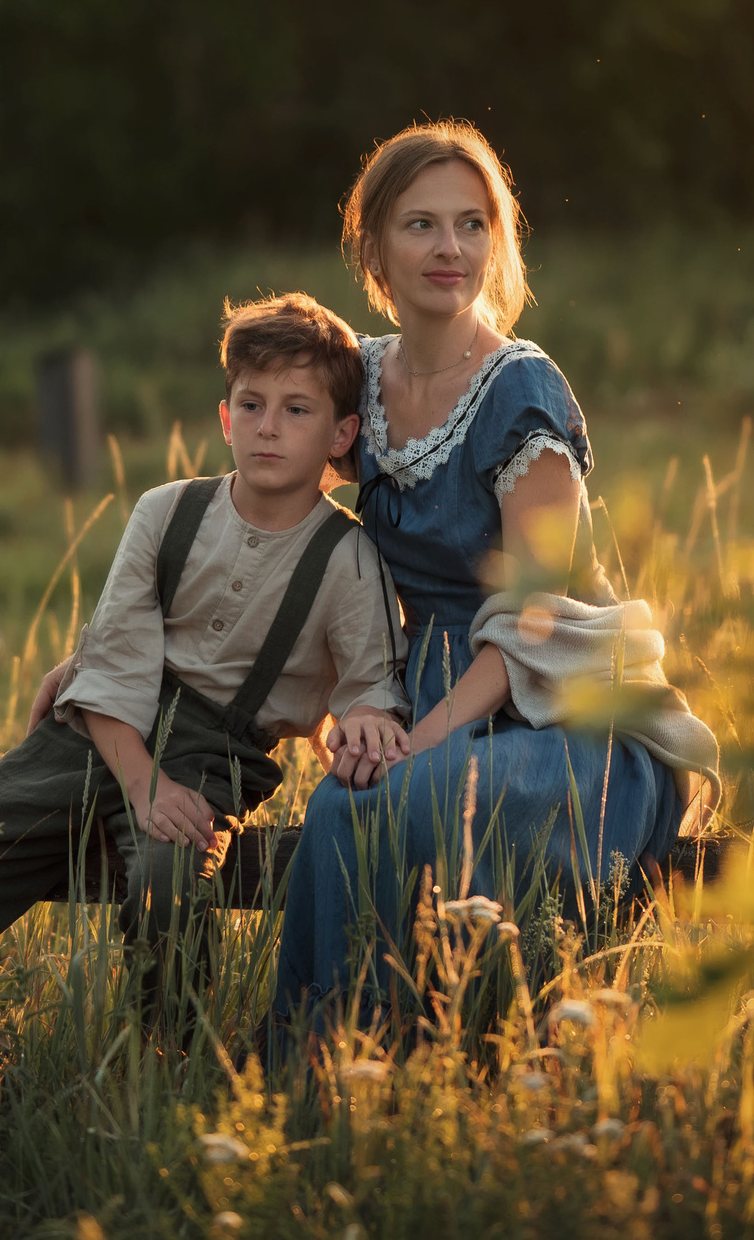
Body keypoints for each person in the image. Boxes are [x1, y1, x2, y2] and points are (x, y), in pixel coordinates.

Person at [270, 121, 704, 1044]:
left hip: (555, 706)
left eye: (473, 224)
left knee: (403, 802)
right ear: (374, 248)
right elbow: (259, 514)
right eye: (422, 225)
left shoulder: (520, 392)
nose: (451, 249)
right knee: (341, 805)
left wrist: (421, 740)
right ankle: (334, 1061)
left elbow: (535, 619)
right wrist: (129, 645)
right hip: (419, 684)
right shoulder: (360, 379)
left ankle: (434, 1046)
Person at [0, 293, 409, 1026]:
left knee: (165, 887)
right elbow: (115, 661)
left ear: (342, 433)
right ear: (226, 418)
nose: (268, 427)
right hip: (95, 734)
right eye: (251, 405)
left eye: (297, 410)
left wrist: (369, 716)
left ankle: (166, 1064)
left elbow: (373, 683)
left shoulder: (349, 557)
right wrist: (142, 783)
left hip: (214, 758)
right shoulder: (166, 511)